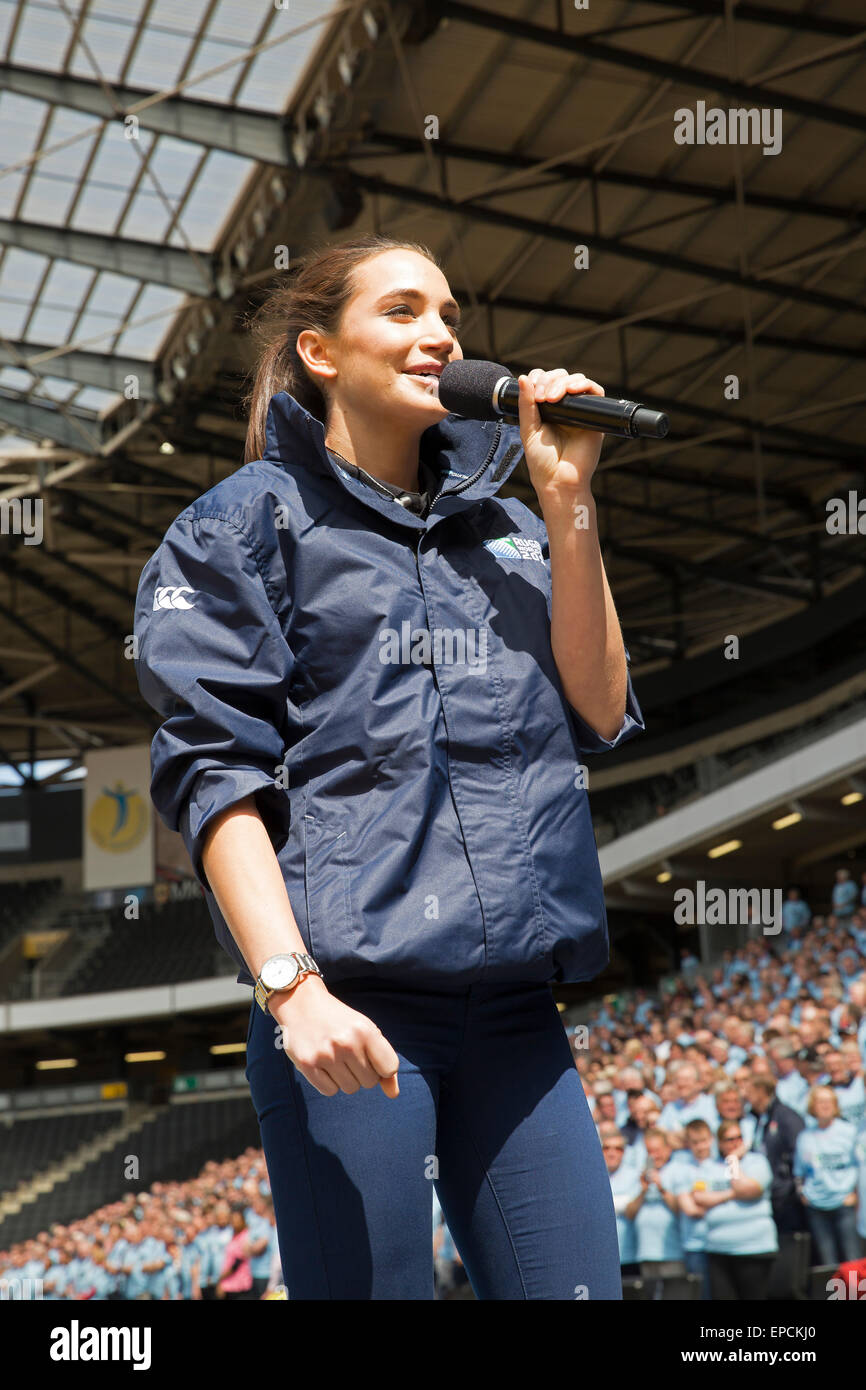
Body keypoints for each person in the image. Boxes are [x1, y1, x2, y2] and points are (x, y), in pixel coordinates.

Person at [133, 234, 644, 1300]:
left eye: (449, 316)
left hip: (515, 1015)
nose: (441, 337)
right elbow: (214, 777)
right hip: (350, 1018)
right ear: (319, 351)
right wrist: (291, 988)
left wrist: (565, 505)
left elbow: (598, 708)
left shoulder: (503, 527)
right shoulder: (243, 526)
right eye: (404, 311)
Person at [695, 1119, 778, 1300]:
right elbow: (700, 1198)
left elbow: (749, 1189)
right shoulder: (709, 1166)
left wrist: (733, 1161)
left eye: (739, 1138)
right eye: (729, 1139)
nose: (735, 1143)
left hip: (754, 1247)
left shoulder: (757, 1162)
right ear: (719, 1143)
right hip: (718, 1248)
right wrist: (732, 1194)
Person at [744, 1075, 806, 1298]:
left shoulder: (786, 1116)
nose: (746, 1097)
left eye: (750, 1092)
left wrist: (789, 1184)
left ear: (762, 1092)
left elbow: (799, 1150)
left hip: (787, 1199)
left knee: (793, 1252)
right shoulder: (761, 1118)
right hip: (774, 1197)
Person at [793, 1086, 860, 1265]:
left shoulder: (849, 1132)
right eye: (820, 1101)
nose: (825, 1106)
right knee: (827, 1261)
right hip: (816, 1206)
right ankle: (835, 1294)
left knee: (852, 1259)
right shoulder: (805, 1137)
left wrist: (855, 1195)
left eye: (829, 1101)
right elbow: (798, 1172)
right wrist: (803, 1194)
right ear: (813, 1106)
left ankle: (856, 1294)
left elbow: (860, 1166)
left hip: (843, 1203)